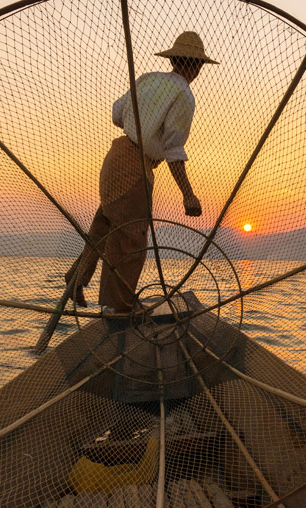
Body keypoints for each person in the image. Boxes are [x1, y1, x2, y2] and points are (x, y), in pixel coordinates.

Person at [66, 31, 217, 314]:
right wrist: (189, 195)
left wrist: (143, 123)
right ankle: (118, 306)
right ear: (196, 67)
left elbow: (117, 114)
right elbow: (173, 149)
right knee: (131, 237)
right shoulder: (184, 94)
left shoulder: (148, 79)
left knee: (104, 228)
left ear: (173, 60)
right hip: (136, 166)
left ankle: (76, 277)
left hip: (116, 155)